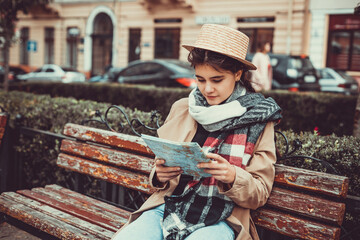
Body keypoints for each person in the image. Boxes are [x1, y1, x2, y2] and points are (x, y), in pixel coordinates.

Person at [111, 24, 282, 240]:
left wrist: (231, 176)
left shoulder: (259, 117)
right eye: (200, 79)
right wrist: (159, 175)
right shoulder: (184, 107)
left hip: (221, 218)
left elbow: (259, 193)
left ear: (238, 74)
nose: (207, 89)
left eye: (217, 80)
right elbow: (162, 166)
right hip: (167, 208)